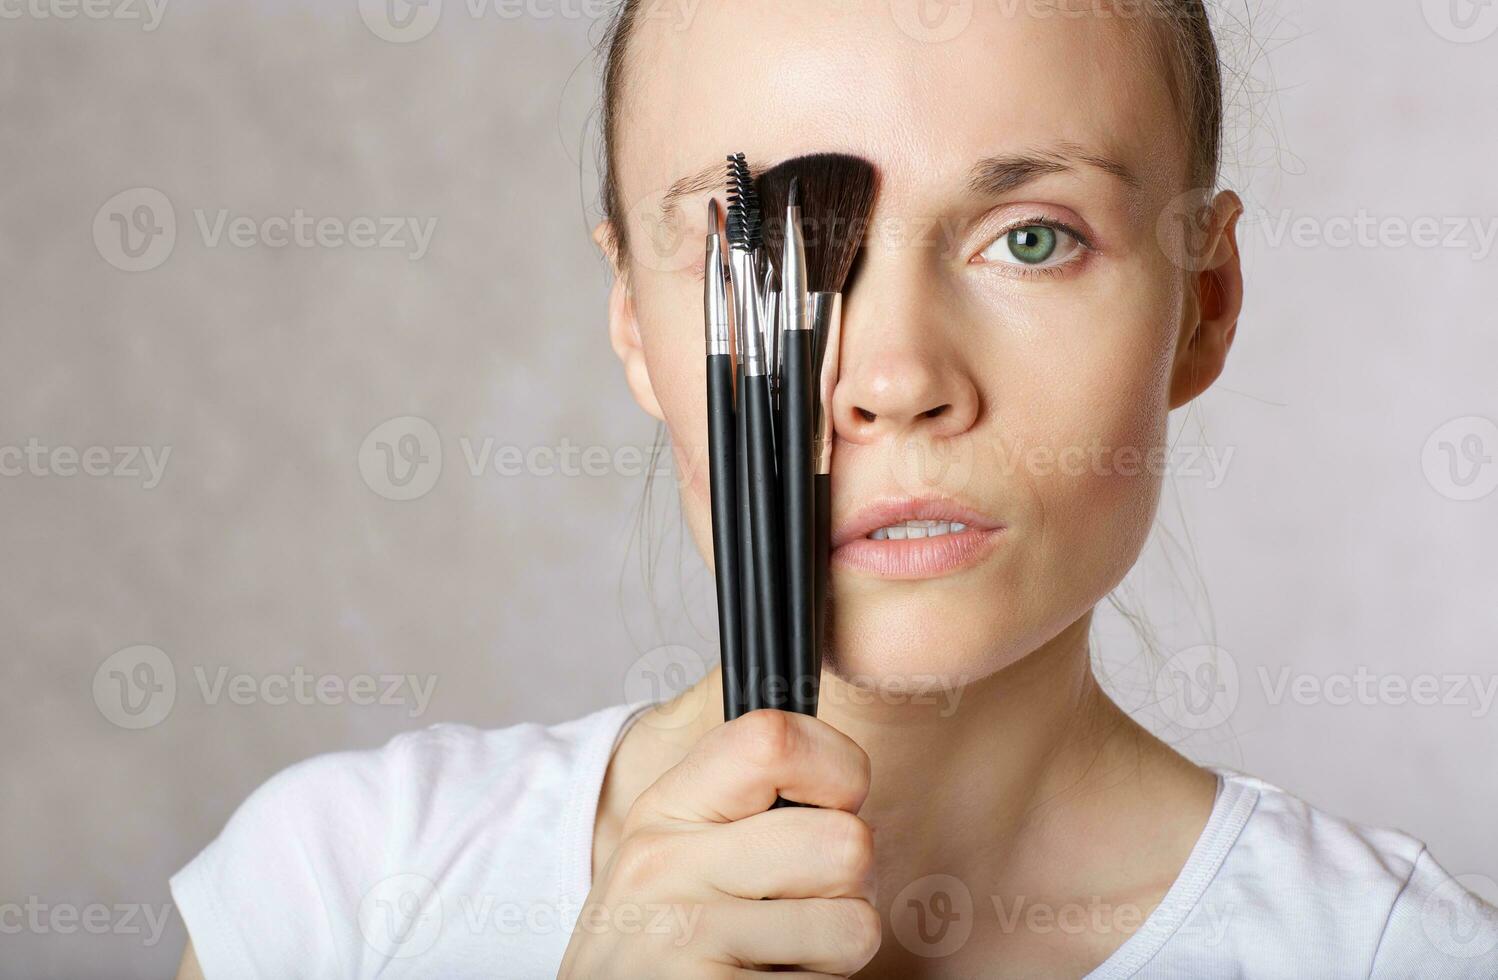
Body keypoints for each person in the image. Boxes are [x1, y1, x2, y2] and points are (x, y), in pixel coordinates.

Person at [172, 1, 1498, 976]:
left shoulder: (1396, 955)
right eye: (758, 246)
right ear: (634, 321)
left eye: (1028, 239)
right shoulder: (335, 900)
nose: (892, 377)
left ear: (1201, 306)